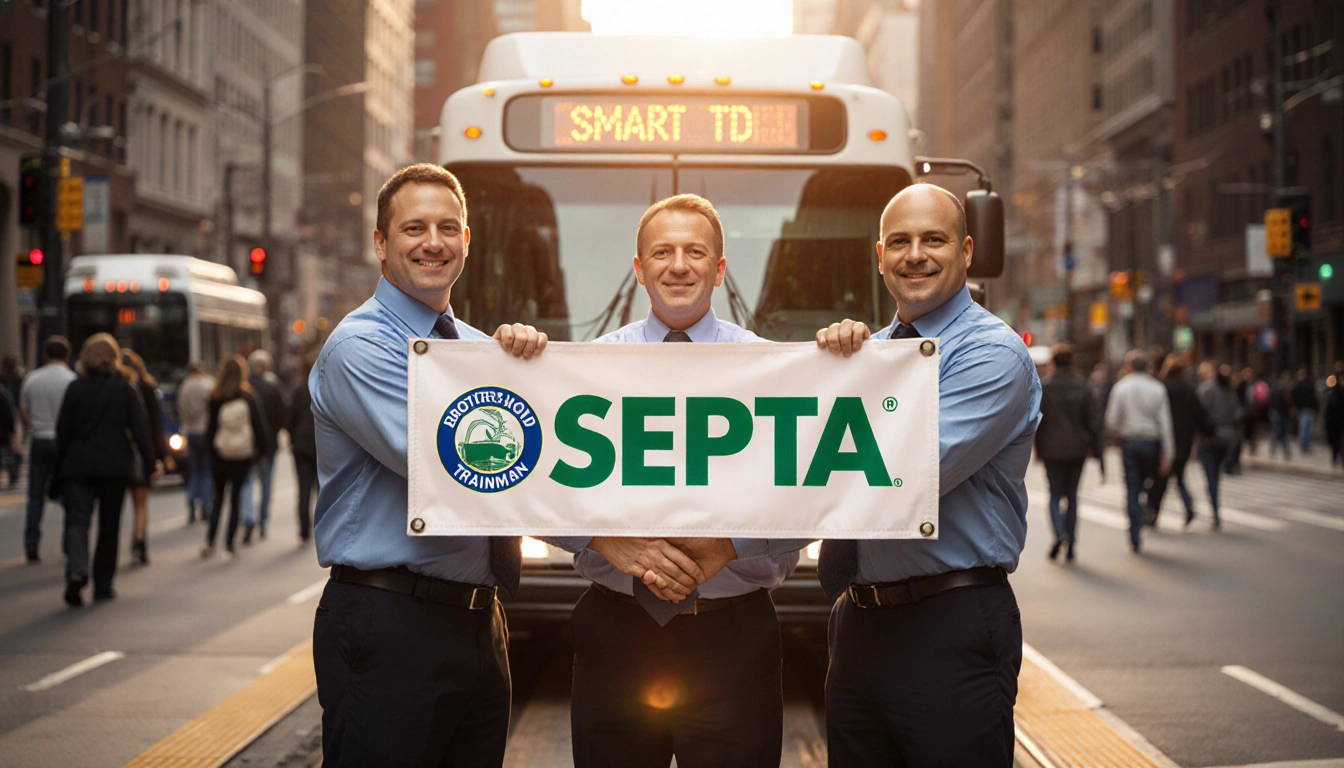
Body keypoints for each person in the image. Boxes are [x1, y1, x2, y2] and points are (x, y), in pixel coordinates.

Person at [540, 194, 791, 768]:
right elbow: (533, 488)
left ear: (720, 270)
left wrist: (847, 360)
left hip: (736, 640)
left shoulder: (780, 371)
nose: (678, 265)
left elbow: (817, 498)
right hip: (615, 636)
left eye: (695, 252)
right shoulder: (581, 368)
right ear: (638, 269)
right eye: (662, 252)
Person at [310, 163, 547, 766]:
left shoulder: (477, 348)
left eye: (448, 227)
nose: (433, 243)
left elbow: (541, 441)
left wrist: (536, 367)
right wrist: (611, 547)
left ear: (468, 240)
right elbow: (457, 464)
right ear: (381, 244)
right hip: (390, 622)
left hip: (478, 623)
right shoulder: (360, 347)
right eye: (414, 228)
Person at [808, 183, 1040, 767]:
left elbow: (897, 475)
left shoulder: (993, 355)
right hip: (857, 623)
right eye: (901, 241)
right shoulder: (868, 353)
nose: (916, 254)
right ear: (879, 256)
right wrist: (827, 369)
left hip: (948, 625)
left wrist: (731, 544)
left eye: (933, 240)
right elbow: (802, 448)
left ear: (965, 251)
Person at [50, 334, 159, 606]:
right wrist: (149, 462)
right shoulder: (124, 389)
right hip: (114, 466)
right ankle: (103, 584)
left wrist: (57, 470)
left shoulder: (76, 388)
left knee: (78, 522)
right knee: (109, 527)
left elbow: (62, 432)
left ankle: (77, 571)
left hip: (78, 465)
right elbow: (140, 428)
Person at [1104, 351, 1174, 553]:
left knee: (1132, 489)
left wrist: (1121, 430)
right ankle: (1147, 512)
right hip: (1152, 443)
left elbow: (1112, 420)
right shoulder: (1157, 388)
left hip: (1130, 443)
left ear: (1129, 366)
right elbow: (1165, 423)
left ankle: (1134, 533)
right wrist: (1168, 455)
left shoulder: (1121, 387)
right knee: (1150, 483)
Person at [202, 355, 271, 558]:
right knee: (235, 499)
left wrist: (211, 451)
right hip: (242, 455)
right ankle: (230, 543)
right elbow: (259, 426)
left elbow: (210, 429)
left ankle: (210, 542)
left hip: (220, 455)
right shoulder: (248, 396)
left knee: (218, 498)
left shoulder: (215, 396)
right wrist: (262, 452)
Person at [1034, 344, 1096, 562]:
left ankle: (1058, 532)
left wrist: (1038, 449)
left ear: (1053, 362)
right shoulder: (1083, 385)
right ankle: (1070, 539)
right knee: (1072, 496)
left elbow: (1037, 419)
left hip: (1051, 448)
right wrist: (1095, 449)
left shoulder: (1045, 386)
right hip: (1077, 448)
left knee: (1053, 494)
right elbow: (1093, 420)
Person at [18, 336, 78, 563]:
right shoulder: (72, 380)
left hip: (40, 439)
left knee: (35, 496)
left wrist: (32, 426)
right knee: (69, 495)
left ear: (44, 355)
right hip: (64, 442)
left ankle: (31, 544)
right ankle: (68, 543)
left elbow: (23, 410)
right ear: (67, 355)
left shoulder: (32, 379)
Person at [121, 349, 169, 565]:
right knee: (140, 503)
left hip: (118, 454)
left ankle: (133, 544)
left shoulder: (116, 388)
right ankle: (139, 541)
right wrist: (159, 457)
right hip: (141, 452)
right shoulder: (147, 388)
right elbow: (155, 426)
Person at [1148, 356, 1207, 529]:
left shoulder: (1161, 388)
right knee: (1179, 477)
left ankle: (1153, 514)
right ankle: (1188, 506)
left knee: (1161, 479)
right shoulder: (1188, 389)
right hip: (1184, 440)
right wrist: (1206, 431)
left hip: (1164, 440)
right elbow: (1200, 414)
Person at [239, 349, 286, 542]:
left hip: (248, 444)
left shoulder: (245, 388)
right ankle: (262, 522)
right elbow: (282, 415)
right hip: (268, 445)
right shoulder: (273, 387)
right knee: (266, 485)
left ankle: (248, 517)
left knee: (247, 483)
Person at [1196, 365, 1243, 530]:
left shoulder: (1205, 390)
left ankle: (1215, 511)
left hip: (1209, 439)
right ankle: (1216, 509)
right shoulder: (1229, 390)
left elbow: (1199, 413)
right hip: (1227, 439)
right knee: (1216, 476)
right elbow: (1238, 413)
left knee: (1211, 478)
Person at [176, 362, 215, 524]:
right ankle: (206, 506)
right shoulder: (208, 385)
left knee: (194, 471)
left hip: (190, 432)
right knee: (206, 470)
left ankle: (191, 505)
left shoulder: (184, 387)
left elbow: (180, 410)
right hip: (204, 431)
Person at [286, 353, 318, 543]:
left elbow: (289, 419)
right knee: (324, 490)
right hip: (323, 446)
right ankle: (323, 528)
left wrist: (293, 439)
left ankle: (304, 529)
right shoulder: (326, 386)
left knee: (303, 489)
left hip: (302, 446)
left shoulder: (298, 389)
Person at [0, 354, 24, 487]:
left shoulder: (17, 380)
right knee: (10, 452)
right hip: (7, 422)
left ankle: (13, 475)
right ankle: (13, 475)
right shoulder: (9, 382)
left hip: (10, 418)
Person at [1088, 363, 1112, 482]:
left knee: (1100, 449)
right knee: (1100, 450)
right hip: (1098, 422)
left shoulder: (1100, 389)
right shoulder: (1091, 388)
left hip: (1098, 422)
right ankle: (1102, 472)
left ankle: (1103, 472)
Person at [1291, 366, 1318, 455]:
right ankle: (1303, 447)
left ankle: (1305, 446)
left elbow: (1313, 398)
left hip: (1308, 409)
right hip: (1303, 410)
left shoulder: (1307, 385)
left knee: (1307, 430)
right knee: (1304, 429)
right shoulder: (1298, 385)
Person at [1268, 371, 1295, 459]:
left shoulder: (1279, 389)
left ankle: (1281, 451)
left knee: (1282, 434)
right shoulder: (1282, 390)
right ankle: (1275, 450)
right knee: (1278, 433)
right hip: (1279, 413)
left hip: (1280, 413)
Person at [1324, 362, 1344, 467]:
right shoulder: (1334, 391)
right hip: (1335, 421)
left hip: (1339, 420)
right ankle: (1335, 458)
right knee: (1336, 441)